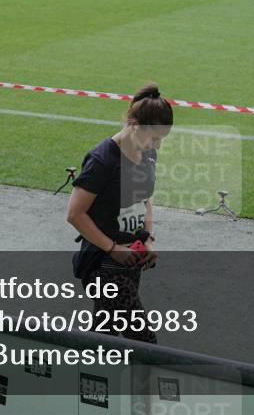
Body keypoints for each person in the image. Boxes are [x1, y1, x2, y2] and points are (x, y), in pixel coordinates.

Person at [66, 82, 173, 343]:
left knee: (105, 335)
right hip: (103, 265)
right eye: (154, 138)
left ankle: (87, 380)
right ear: (135, 125)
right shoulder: (103, 159)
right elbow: (75, 214)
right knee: (144, 340)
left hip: (130, 261)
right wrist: (112, 247)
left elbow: (144, 199)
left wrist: (148, 238)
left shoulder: (146, 154)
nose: (157, 146)